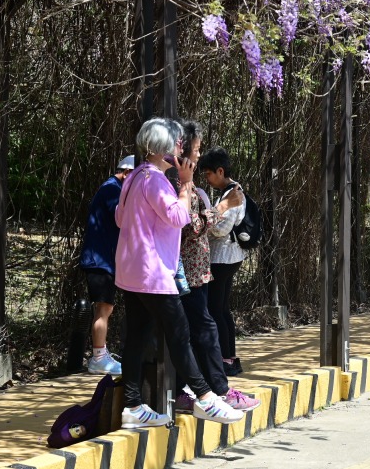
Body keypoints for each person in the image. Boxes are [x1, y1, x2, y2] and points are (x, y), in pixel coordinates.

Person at [114, 118, 245, 428]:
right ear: (163, 148)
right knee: (180, 334)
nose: (181, 149)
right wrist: (186, 184)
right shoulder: (157, 179)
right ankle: (205, 399)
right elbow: (179, 217)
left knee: (136, 336)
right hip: (153, 273)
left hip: (130, 271)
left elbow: (120, 218)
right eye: (176, 144)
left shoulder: (133, 177)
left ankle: (132, 406)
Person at [173, 122, 259, 413]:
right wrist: (219, 210)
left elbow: (207, 228)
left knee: (210, 319)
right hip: (189, 270)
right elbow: (192, 227)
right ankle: (213, 389)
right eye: (195, 151)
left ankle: (213, 380)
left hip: (207, 265)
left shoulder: (211, 190)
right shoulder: (180, 187)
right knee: (205, 324)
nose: (198, 160)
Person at [78, 154, 133, 376]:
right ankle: (98, 358)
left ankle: (101, 354)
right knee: (103, 308)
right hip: (99, 260)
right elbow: (125, 219)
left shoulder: (112, 188)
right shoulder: (113, 190)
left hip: (105, 259)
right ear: (127, 173)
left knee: (106, 308)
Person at [201, 146, 247, 377]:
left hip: (223, 258)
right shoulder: (229, 192)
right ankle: (230, 358)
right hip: (229, 257)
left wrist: (202, 226)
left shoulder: (232, 194)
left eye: (208, 174)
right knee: (222, 310)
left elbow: (221, 229)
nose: (207, 179)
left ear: (220, 171)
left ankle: (224, 359)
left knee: (215, 310)